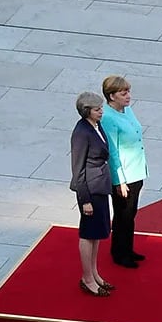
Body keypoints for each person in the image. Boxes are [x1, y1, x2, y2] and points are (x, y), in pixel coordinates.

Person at [68, 91, 114, 297]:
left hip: (100, 185)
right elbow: (77, 170)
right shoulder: (81, 132)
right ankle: (87, 278)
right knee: (89, 234)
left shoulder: (96, 125)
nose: (101, 111)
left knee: (97, 233)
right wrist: (84, 200)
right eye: (97, 109)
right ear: (87, 111)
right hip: (90, 190)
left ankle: (94, 273)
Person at [99, 74, 147, 270]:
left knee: (130, 214)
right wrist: (120, 181)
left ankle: (127, 248)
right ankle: (120, 253)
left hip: (136, 170)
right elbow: (113, 151)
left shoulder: (126, 110)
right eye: (123, 93)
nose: (128, 96)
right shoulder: (109, 119)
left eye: (128, 91)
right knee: (123, 215)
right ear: (111, 96)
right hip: (124, 175)